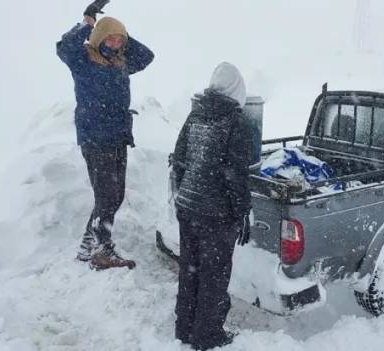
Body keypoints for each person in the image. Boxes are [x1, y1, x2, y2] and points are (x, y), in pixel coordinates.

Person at [56, 0, 154, 270]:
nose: (114, 43)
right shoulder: (84, 61)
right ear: (98, 38)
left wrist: (120, 32)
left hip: (118, 136)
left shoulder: (121, 63)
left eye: (118, 40)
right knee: (107, 196)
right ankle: (102, 250)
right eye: (108, 38)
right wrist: (89, 21)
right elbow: (64, 48)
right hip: (95, 138)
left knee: (114, 194)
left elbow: (147, 56)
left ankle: (89, 245)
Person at [172, 62, 253, 350]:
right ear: (236, 90)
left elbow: (179, 159)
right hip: (215, 213)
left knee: (190, 269)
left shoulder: (196, 113)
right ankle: (207, 335)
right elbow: (235, 173)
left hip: (188, 207)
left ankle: (184, 327)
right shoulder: (236, 121)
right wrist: (243, 211)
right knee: (214, 277)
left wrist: (183, 193)